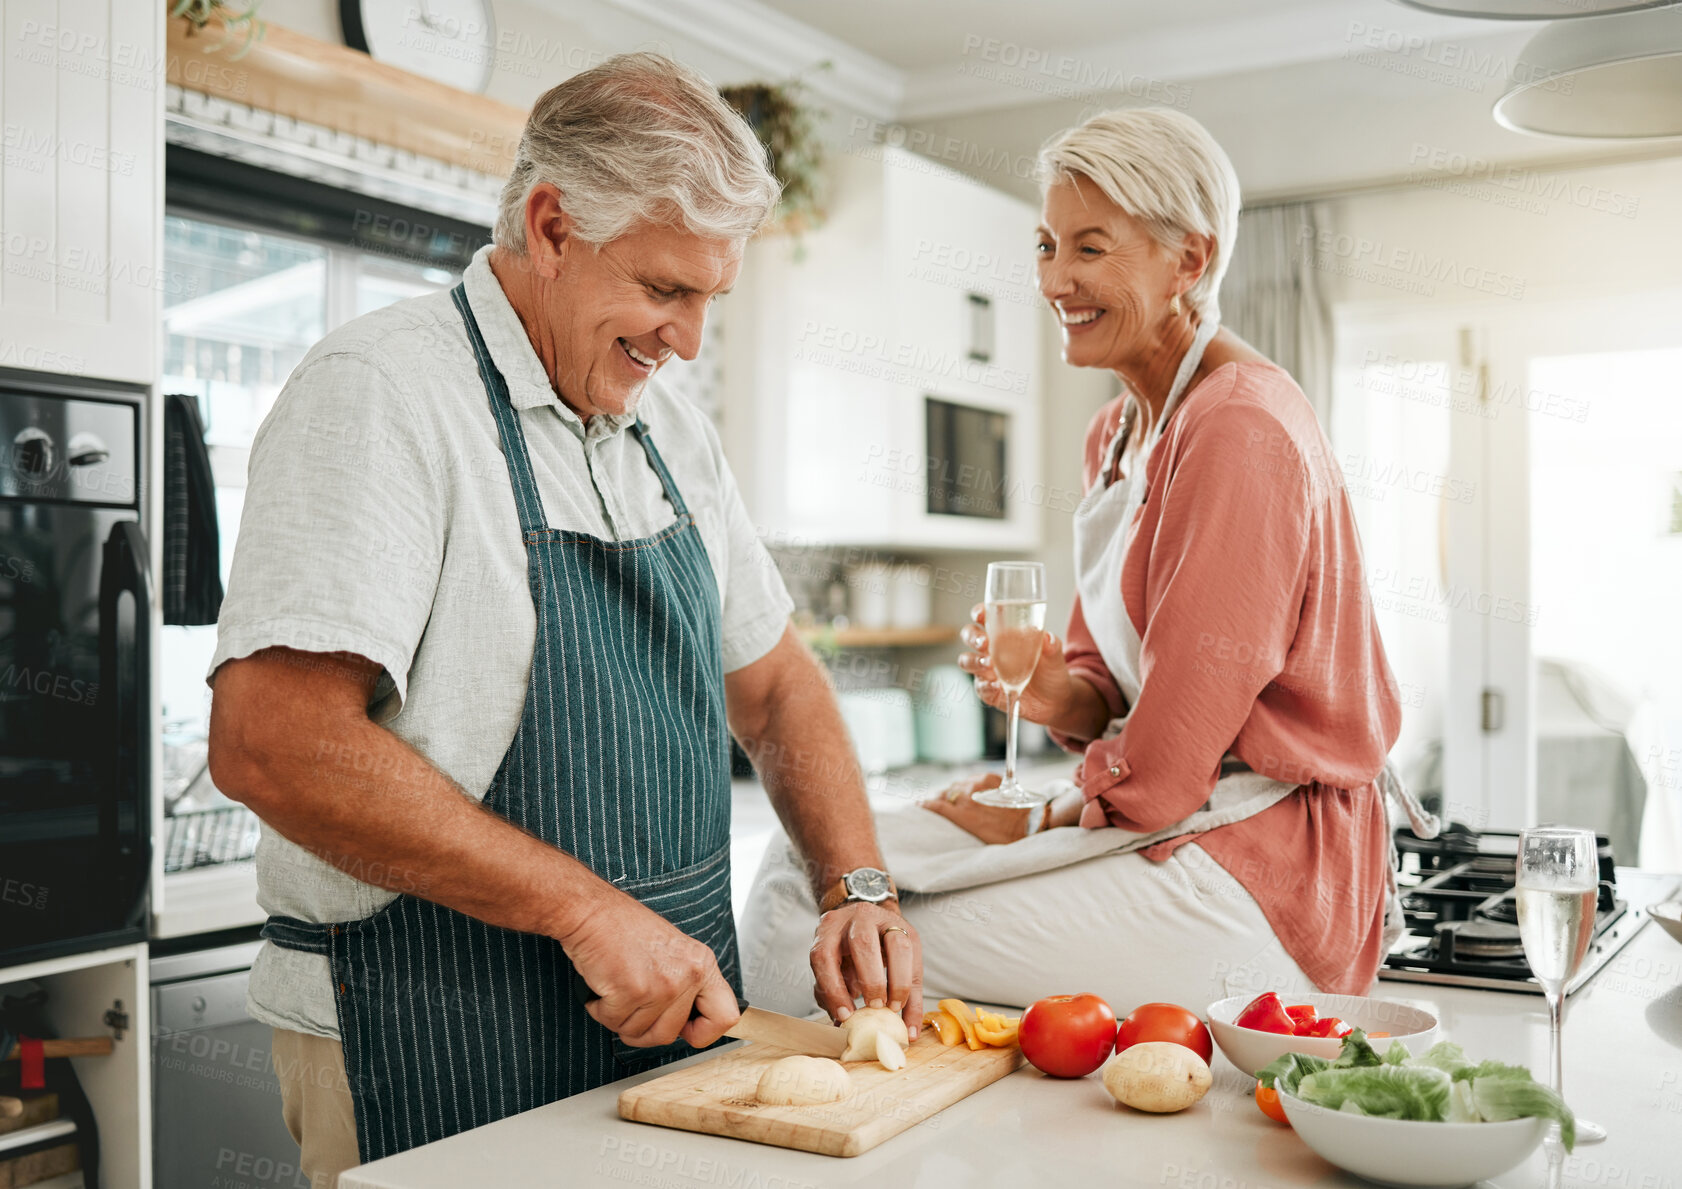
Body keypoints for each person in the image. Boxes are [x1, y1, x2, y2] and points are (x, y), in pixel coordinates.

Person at [206, 53, 922, 1187]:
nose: (685, 339)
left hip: (667, 1037)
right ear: (550, 225)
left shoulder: (668, 431)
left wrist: (856, 882)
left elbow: (776, 685)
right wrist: (584, 910)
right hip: (427, 1028)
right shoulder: (383, 393)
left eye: (707, 300)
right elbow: (271, 739)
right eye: (662, 290)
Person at [741, 107, 1428, 1019]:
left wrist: (1034, 812)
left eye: (1091, 249)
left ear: (1190, 260)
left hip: (1259, 878)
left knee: (837, 942)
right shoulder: (1119, 433)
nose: (1055, 279)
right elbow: (1108, 689)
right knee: (817, 870)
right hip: (1172, 823)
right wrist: (1048, 686)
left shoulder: (1240, 429)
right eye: (1045, 244)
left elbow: (1169, 762)